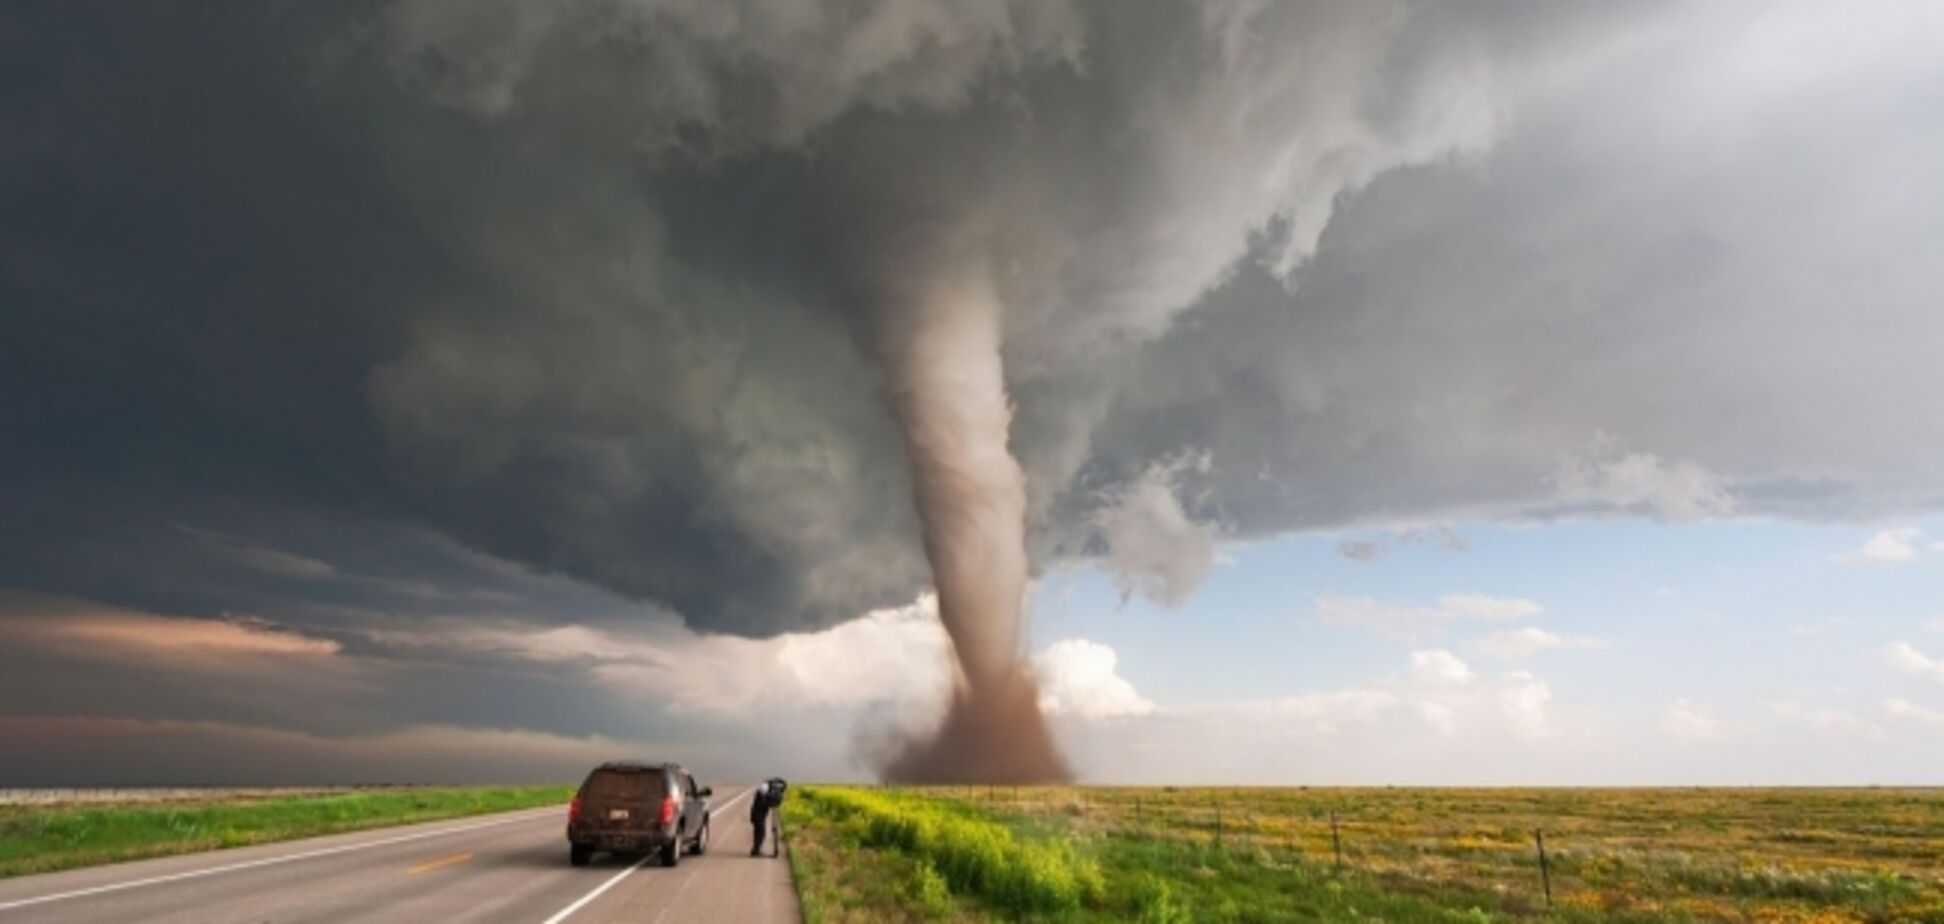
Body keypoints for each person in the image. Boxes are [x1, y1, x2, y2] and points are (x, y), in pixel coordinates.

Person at [749, 777, 787, 857]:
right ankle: (755, 851)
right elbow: (768, 803)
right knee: (761, 833)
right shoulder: (761, 797)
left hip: (757, 816)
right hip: (757, 816)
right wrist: (775, 800)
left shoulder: (761, 794)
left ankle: (755, 850)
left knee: (759, 833)